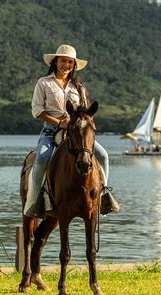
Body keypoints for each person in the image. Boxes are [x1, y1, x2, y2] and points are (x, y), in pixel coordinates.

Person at [24, 44, 120, 218]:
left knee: (104, 155)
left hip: (76, 132)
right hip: (51, 131)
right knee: (41, 159)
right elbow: (37, 111)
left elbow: (85, 111)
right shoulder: (43, 83)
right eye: (63, 61)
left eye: (70, 62)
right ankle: (36, 202)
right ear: (55, 62)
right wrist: (59, 123)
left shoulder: (79, 86)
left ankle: (103, 195)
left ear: (73, 65)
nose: (66, 65)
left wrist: (82, 125)